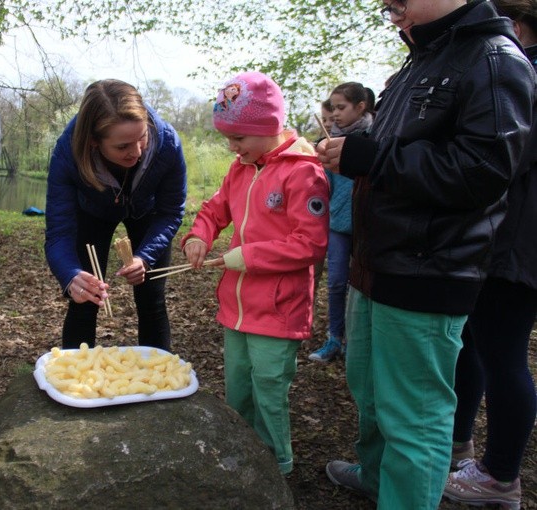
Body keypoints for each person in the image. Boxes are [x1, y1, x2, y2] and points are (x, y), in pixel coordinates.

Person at [316, 1, 535, 509]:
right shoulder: (426, 55)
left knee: (414, 416)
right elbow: (413, 145)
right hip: (376, 264)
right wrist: (362, 148)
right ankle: (377, 476)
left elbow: (484, 169)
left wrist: (372, 157)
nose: (386, 4)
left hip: (429, 270)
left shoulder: (494, 59)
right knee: (371, 392)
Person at [182, 71, 329, 474]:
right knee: (239, 386)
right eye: (228, 138)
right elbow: (215, 209)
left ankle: (277, 463)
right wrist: (199, 235)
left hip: (279, 309)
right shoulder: (240, 168)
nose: (233, 147)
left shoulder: (303, 172)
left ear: (268, 127)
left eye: (239, 138)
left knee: (268, 388)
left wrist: (249, 256)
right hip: (237, 305)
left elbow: (311, 244)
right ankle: (243, 453)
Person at [443, 1, 537, 508]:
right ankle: (462, 445)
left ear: (517, 28)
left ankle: (500, 478)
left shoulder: (518, 72)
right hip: (506, 240)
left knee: (504, 355)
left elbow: (502, 160)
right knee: (476, 343)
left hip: (518, 243)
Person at [45, 79, 187, 351]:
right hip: (93, 212)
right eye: (122, 146)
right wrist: (70, 274)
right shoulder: (68, 153)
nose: (135, 152)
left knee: (151, 299)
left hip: (148, 212)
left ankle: (157, 382)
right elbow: (59, 231)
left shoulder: (167, 144)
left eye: (141, 137)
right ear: (94, 142)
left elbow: (170, 212)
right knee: (85, 297)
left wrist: (144, 257)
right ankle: (78, 383)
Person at [308, 83, 373, 363]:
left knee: (359, 288)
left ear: (361, 107)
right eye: (332, 108)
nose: (334, 114)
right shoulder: (330, 141)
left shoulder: (374, 139)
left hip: (365, 227)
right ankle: (334, 338)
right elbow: (323, 188)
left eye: (341, 108)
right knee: (335, 283)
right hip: (336, 225)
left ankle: (356, 344)